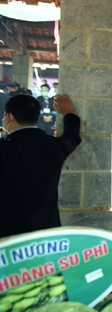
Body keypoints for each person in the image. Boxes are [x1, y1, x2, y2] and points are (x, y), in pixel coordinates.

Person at [0, 94, 81, 238]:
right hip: (46, 233)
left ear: (8, 117)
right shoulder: (55, 146)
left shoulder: (4, 147)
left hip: (8, 233)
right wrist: (70, 113)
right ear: (37, 118)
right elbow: (73, 136)